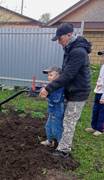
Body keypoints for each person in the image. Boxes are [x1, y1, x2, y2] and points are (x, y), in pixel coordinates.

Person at [39, 22, 92, 159]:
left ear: (69, 35)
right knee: (63, 118)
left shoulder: (78, 52)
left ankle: (64, 151)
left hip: (78, 92)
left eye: (60, 39)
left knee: (69, 121)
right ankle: (59, 141)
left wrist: (48, 89)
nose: (59, 42)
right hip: (71, 89)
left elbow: (67, 75)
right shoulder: (70, 49)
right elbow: (65, 75)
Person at [40, 65, 65, 148]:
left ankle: (61, 145)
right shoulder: (52, 85)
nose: (48, 77)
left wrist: (47, 94)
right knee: (48, 126)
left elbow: (56, 99)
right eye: (48, 75)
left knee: (56, 129)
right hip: (53, 110)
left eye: (51, 75)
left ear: (58, 76)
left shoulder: (60, 86)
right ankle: (50, 142)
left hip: (57, 111)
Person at [85, 49, 104, 136]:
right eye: (102, 56)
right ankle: (94, 127)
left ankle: (100, 129)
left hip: (103, 94)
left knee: (102, 111)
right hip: (98, 92)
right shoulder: (103, 66)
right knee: (96, 110)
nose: (102, 57)